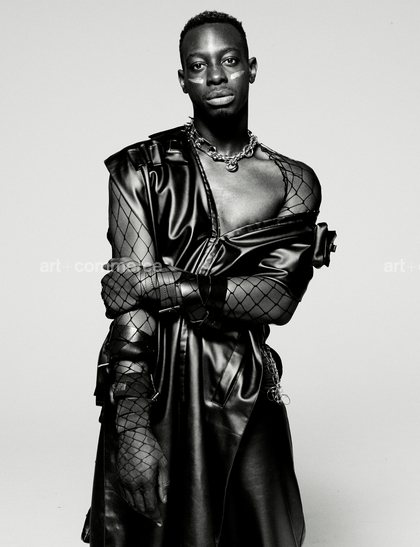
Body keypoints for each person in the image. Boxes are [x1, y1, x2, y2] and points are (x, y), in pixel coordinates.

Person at [82, 10, 336, 547]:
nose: (216, 75)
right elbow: (130, 311)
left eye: (229, 60)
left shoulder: (293, 180)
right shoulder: (141, 168)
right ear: (183, 79)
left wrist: (163, 283)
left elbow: (276, 298)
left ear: (251, 68)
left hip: (244, 387)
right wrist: (131, 426)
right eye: (198, 65)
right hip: (156, 388)